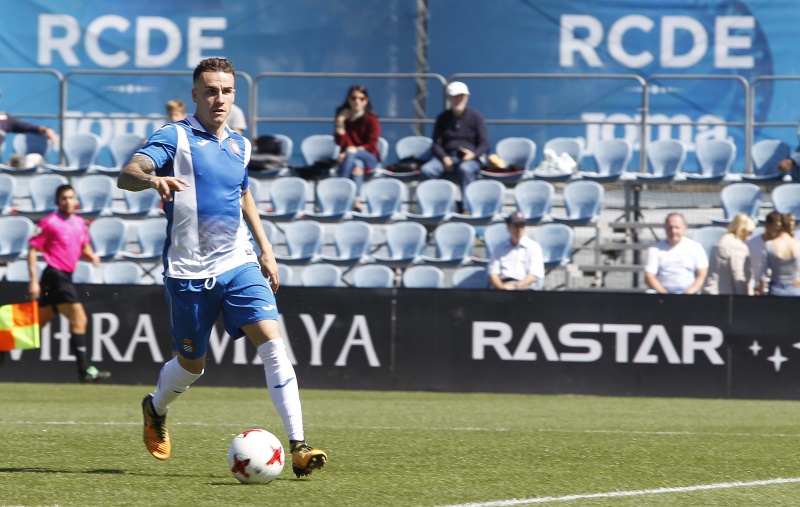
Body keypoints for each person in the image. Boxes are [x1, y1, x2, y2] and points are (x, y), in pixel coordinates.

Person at [117, 58, 326, 477]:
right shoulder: (175, 136)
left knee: (273, 344)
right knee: (192, 365)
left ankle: (299, 446)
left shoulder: (240, 145)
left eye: (226, 91)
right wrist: (152, 179)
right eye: (210, 90)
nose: (219, 98)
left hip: (238, 261)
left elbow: (242, 191)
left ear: (235, 95)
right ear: (195, 95)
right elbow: (128, 174)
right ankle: (155, 408)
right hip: (188, 272)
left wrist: (266, 248)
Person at [26, 184, 109, 382]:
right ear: (57, 201)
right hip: (55, 275)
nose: (68, 201)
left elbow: (84, 244)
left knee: (35, 326)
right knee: (79, 319)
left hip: (65, 277)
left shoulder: (80, 223)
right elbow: (32, 250)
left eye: (71, 197)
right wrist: (33, 281)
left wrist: (92, 256)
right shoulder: (49, 222)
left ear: (76, 200)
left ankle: (2, 345)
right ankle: (85, 371)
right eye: (63, 198)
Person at [421, 81, 489, 211]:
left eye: (461, 96)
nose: (458, 99)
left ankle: (466, 209)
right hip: (446, 157)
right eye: (455, 96)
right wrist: (444, 158)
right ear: (449, 98)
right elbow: (436, 143)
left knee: (466, 170)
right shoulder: (442, 118)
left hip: (469, 159)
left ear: (467, 97)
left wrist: (472, 155)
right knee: (427, 170)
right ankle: (433, 208)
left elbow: (484, 143)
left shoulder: (476, 117)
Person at [334, 84, 381, 211]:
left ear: (366, 100)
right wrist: (340, 122)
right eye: (353, 98)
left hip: (369, 158)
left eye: (361, 98)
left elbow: (372, 144)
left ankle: (341, 189)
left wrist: (353, 150)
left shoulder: (371, 119)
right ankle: (356, 202)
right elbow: (340, 142)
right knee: (357, 165)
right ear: (348, 100)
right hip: (352, 159)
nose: (357, 102)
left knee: (354, 156)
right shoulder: (344, 117)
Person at [644, 213, 709, 294]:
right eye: (670, 228)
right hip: (662, 296)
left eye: (677, 227)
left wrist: (689, 293)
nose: (673, 231)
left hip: (690, 295)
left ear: (685, 228)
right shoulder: (654, 249)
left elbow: (702, 274)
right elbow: (649, 276)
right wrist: (665, 295)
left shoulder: (696, 247)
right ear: (665, 229)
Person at [488, 211, 545, 290]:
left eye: (522, 225)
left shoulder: (534, 247)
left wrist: (515, 287)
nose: (519, 229)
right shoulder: (499, 248)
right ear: (508, 227)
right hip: (503, 286)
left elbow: (533, 275)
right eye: (516, 225)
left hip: (525, 288)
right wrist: (501, 288)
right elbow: (493, 273)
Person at [702, 213, 755, 295]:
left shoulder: (719, 242)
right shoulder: (739, 247)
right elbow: (739, 277)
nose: (749, 237)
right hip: (731, 300)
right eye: (749, 232)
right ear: (743, 230)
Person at [758, 213, 800, 296]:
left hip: (776, 288)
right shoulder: (798, 244)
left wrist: (760, 291)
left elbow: (763, 274)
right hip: (796, 287)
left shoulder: (769, 245)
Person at [746, 210, 781, 295]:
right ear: (767, 226)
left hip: (777, 290)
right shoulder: (750, 244)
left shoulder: (783, 246)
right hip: (755, 291)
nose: (779, 231)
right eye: (776, 227)